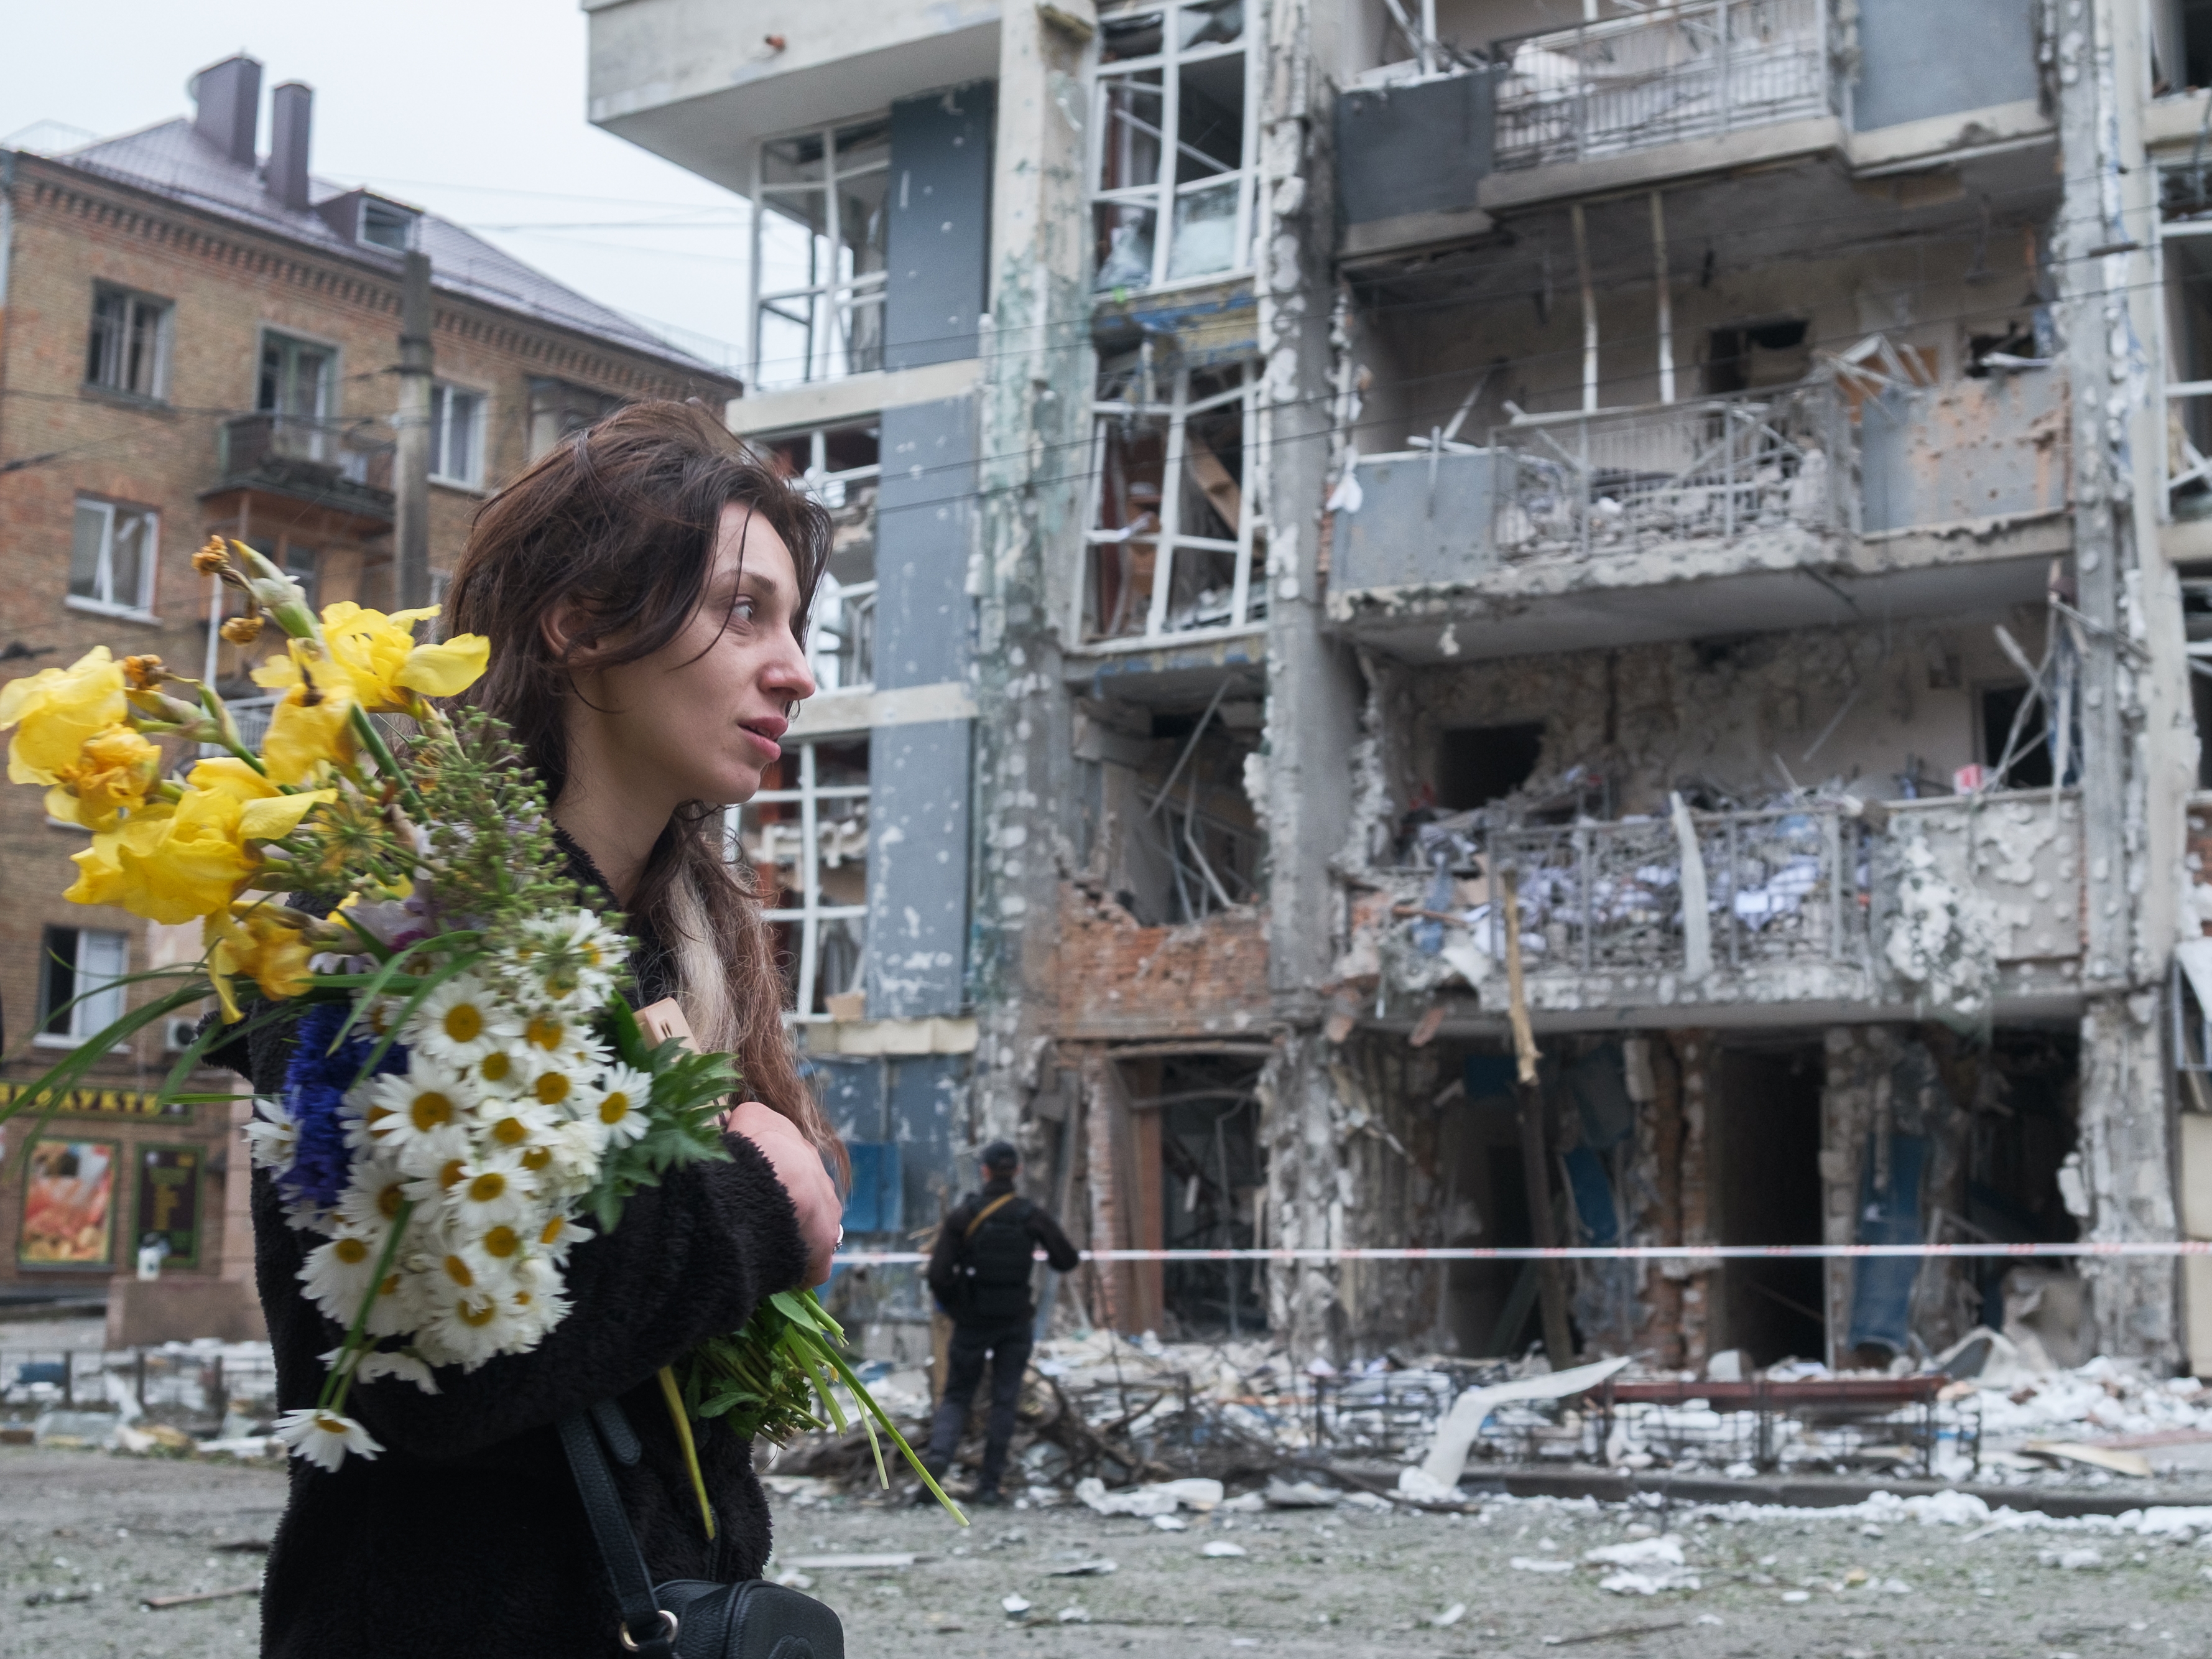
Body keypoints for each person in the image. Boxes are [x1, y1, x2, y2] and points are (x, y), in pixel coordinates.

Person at [215, 401, 847, 1658]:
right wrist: (756, 1200)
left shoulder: (684, 946)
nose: (796, 668)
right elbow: (431, 1364)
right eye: (741, 610)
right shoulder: (389, 937)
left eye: (794, 622)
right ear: (580, 623)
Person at [922, 1140, 1080, 1503]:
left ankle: (934, 1477)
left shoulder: (965, 1215)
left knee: (957, 1396)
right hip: (1015, 1321)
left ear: (985, 1171)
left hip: (973, 1321)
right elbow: (1066, 1260)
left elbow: (938, 1274)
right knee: (1004, 1401)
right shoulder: (1030, 1215)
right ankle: (990, 1486)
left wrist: (958, 1306)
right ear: (1018, 1171)